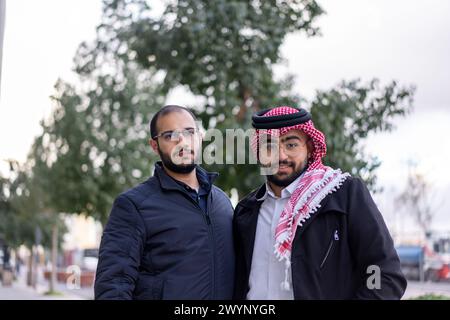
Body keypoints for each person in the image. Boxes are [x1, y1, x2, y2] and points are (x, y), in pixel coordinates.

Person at [233, 105, 406, 299]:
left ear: (309, 148)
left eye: (291, 145)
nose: (280, 156)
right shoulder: (246, 211)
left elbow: (384, 273)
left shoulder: (344, 194)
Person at [95, 105, 235, 300]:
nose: (182, 141)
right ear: (155, 145)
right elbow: (113, 286)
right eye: (170, 135)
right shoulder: (134, 205)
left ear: (200, 137)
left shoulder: (222, 202)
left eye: (189, 132)